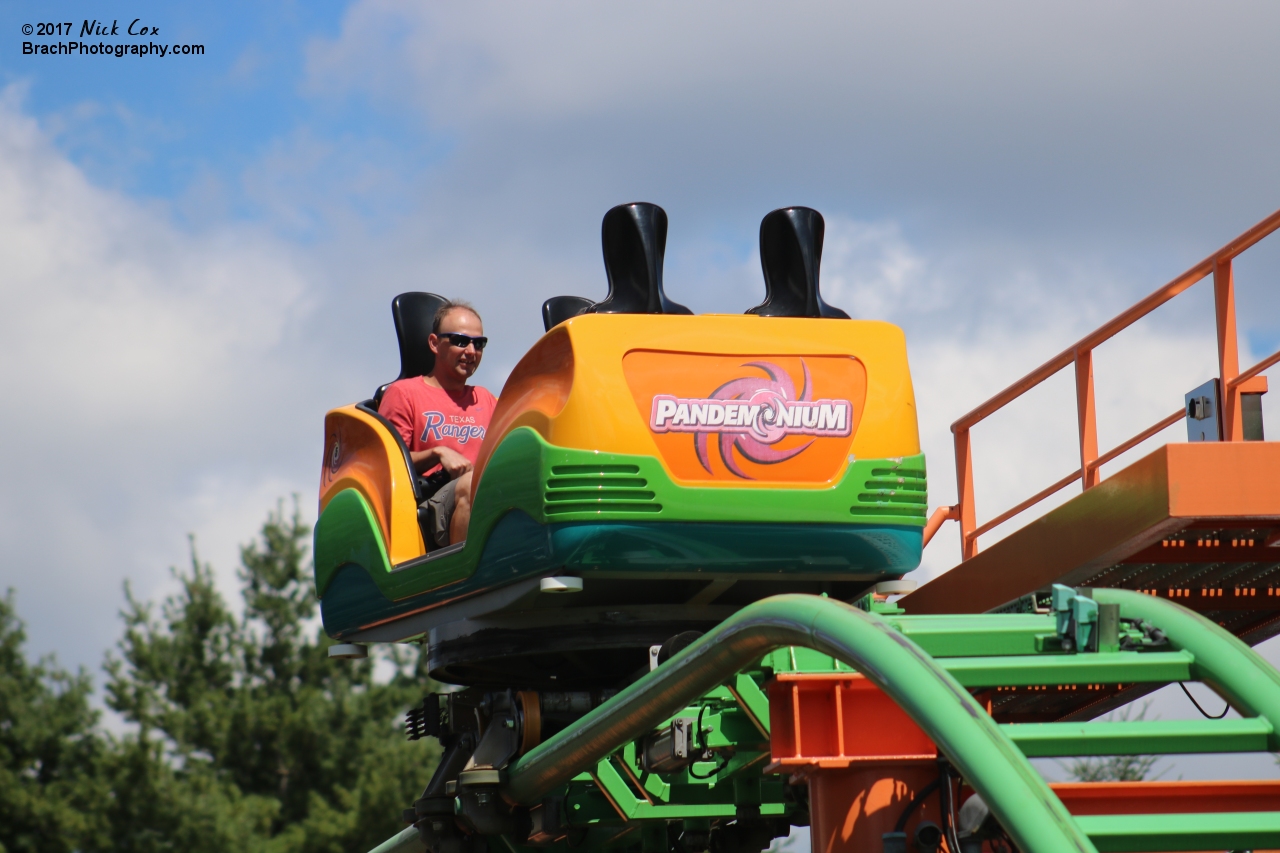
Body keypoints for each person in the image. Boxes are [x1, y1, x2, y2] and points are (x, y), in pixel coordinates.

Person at [378, 300, 497, 548]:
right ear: (434, 343)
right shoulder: (404, 393)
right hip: (434, 502)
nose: (471, 351)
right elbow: (387, 464)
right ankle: (463, 576)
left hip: (488, 497)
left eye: (479, 343)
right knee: (471, 483)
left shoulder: (486, 399)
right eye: (460, 341)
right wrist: (437, 453)